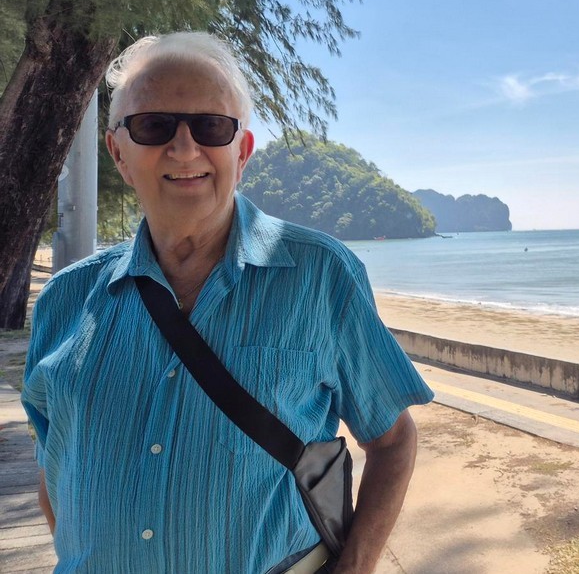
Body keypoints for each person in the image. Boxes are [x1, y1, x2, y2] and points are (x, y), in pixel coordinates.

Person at [22, 32, 434, 574]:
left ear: (241, 152)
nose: (184, 148)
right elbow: (54, 468)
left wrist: (355, 567)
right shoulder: (65, 299)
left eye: (211, 126)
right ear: (118, 153)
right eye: (154, 126)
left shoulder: (322, 276)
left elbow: (393, 440)